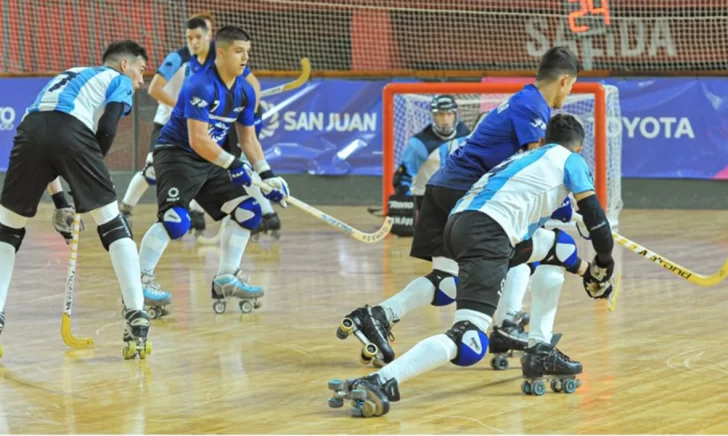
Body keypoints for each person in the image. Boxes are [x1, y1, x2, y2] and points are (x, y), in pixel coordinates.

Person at [328, 114, 615, 417]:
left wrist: (589, 272)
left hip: (458, 222)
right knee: (469, 339)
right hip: (489, 233)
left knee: (560, 247)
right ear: (579, 148)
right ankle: (380, 380)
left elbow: (563, 218)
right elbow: (596, 219)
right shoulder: (571, 161)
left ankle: (540, 348)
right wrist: (605, 262)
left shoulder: (527, 160)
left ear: (543, 141)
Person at [336, 46, 579, 366]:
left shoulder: (523, 99)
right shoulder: (534, 105)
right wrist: (561, 206)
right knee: (523, 241)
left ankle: (378, 315)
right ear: (564, 81)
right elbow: (535, 169)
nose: (571, 91)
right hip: (465, 192)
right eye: (572, 85)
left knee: (446, 280)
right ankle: (507, 324)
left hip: (443, 186)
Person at [0, 40, 152, 359]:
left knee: (7, 229)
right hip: (71, 130)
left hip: (30, 130)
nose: (140, 82)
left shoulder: (69, 74)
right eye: (140, 71)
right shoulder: (118, 80)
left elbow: (47, 140)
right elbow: (108, 127)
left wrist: (62, 203)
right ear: (124, 65)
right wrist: (89, 170)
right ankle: (137, 314)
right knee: (111, 222)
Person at [135, 26, 287, 319]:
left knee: (248, 211)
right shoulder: (199, 84)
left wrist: (268, 176)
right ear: (222, 52)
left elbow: (248, 139)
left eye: (248, 51)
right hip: (176, 154)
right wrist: (233, 164)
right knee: (176, 220)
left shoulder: (244, 90)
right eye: (239, 51)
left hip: (209, 161)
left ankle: (226, 278)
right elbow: (198, 139)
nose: (245, 58)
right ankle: (140, 281)